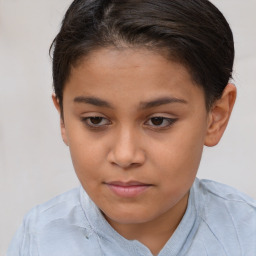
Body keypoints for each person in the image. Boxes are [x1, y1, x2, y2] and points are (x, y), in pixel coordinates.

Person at [7, 0, 256, 255]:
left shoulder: (247, 236)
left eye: (158, 120)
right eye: (95, 120)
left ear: (215, 116)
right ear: (63, 119)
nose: (125, 156)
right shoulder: (38, 241)